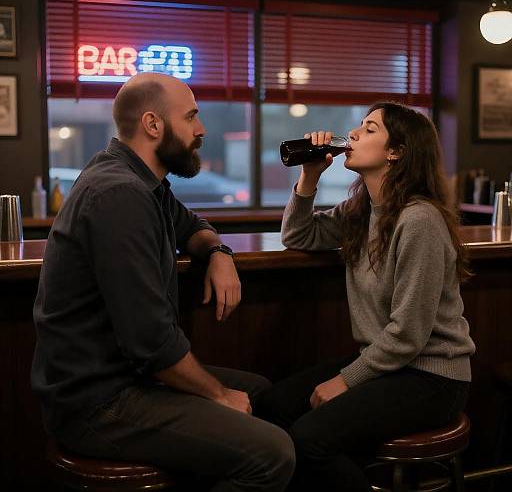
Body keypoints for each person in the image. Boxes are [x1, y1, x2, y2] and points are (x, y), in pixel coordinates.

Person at [32, 72, 295, 492]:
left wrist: (218, 253)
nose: (202, 129)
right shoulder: (119, 194)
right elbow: (150, 343)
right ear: (153, 125)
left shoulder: (144, 184)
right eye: (191, 116)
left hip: (127, 378)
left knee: (264, 394)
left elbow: (193, 225)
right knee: (273, 453)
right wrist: (219, 396)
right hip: (97, 401)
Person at [255, 102, 475, 492]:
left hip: (432, 377)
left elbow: (408, 334)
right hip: (389, 364)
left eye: (370, 128)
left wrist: (344, 381)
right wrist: (309, 176)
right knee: (273, 406)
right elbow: (298, 236)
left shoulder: (419, 220)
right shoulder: (362, 210)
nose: (353, 134)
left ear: (397, 152)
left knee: (309, 440)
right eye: (359, 125)